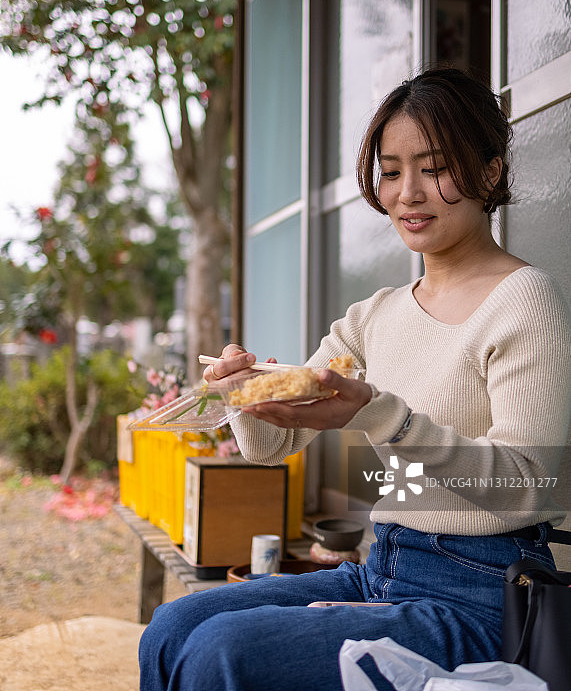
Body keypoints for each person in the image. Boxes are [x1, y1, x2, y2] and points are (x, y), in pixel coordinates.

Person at [139, 67, 570, 691]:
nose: (408, 193)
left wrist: (380, 416)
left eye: (435, 167)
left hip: (483, 596)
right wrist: (244, 390)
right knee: (173, 627)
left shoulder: (524, 298)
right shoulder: (377, 314)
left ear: (489, 171)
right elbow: (272, 448)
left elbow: (532, 486)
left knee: (221, 652)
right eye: (391, 172)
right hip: (381, 567)